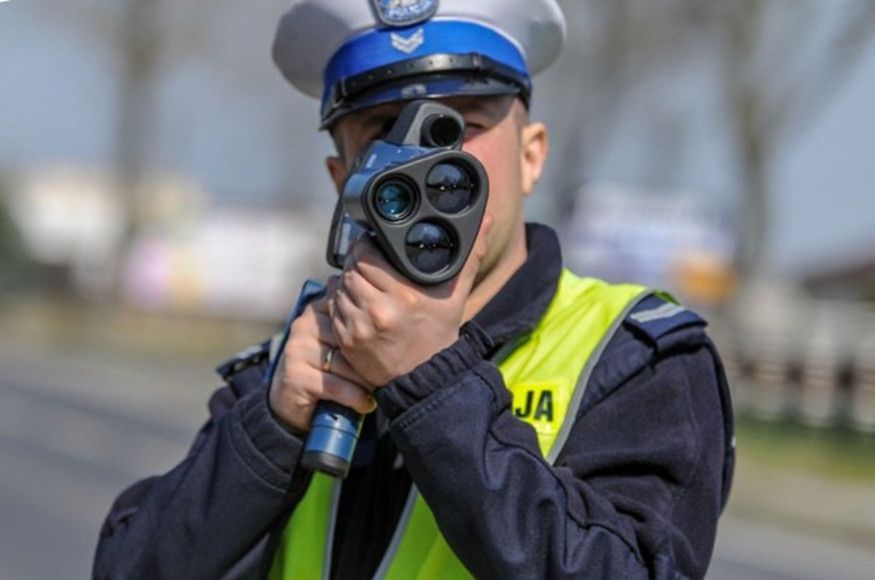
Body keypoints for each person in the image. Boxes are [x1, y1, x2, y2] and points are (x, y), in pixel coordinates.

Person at [94, 1, 735, 578]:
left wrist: (435, 384)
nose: (427, 165)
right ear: (342, 176)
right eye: (382, 132)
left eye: (459, 126)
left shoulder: (635, 362)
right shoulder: (286, 366)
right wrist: (271, 430)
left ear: (532, 155)